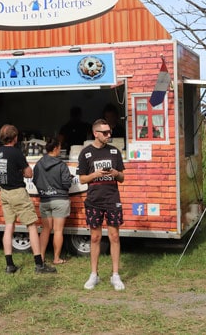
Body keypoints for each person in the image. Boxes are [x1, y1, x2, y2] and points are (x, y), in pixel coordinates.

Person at [0, 124, 56, 274]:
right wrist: (20, 172)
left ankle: (9, 265)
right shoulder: (16, 153)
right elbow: (29, 173)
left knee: (9, 226)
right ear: (15, 138)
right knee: (31, 226)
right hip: (17, 192)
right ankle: (39, 265)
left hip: (4, 192)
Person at [77, 119, 126, 291]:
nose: (109, 135)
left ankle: (115, 275)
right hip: (94, 201)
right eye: (105, 133)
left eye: (109, 132)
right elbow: (82, 178)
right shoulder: (85, 153)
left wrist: (115, 173)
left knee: (114, 236)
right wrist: (95, 174)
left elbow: (122, 178)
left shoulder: (114, 152)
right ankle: (94, 275)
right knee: (95, 237)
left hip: (112, 199)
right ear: (95, 133)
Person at [33, 138, 74, 265]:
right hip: (60, 200)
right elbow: (66, 184)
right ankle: (56, 258)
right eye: (59, 147)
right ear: (55, 148)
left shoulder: (39, 164)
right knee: (57, 230)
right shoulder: (61, 165)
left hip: (45, 200)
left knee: (45, 229)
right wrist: (70, 179)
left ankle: (42, 257)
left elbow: (35, 181)